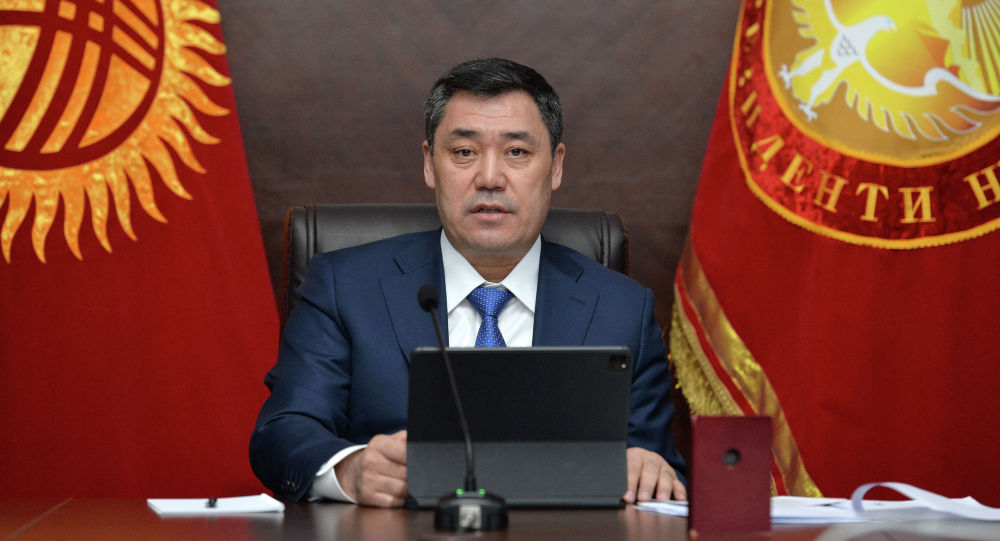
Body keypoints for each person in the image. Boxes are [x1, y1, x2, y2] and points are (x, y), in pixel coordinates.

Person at [250, 58, 686, 507]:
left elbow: (660, 472)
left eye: (517, 152)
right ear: (429, 164)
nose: (490, 178)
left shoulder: (621, 310)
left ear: (555, 167)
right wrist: (350, 469)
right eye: (464, 152)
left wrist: (651, 468)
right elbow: (282, 433)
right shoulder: (345, 288)